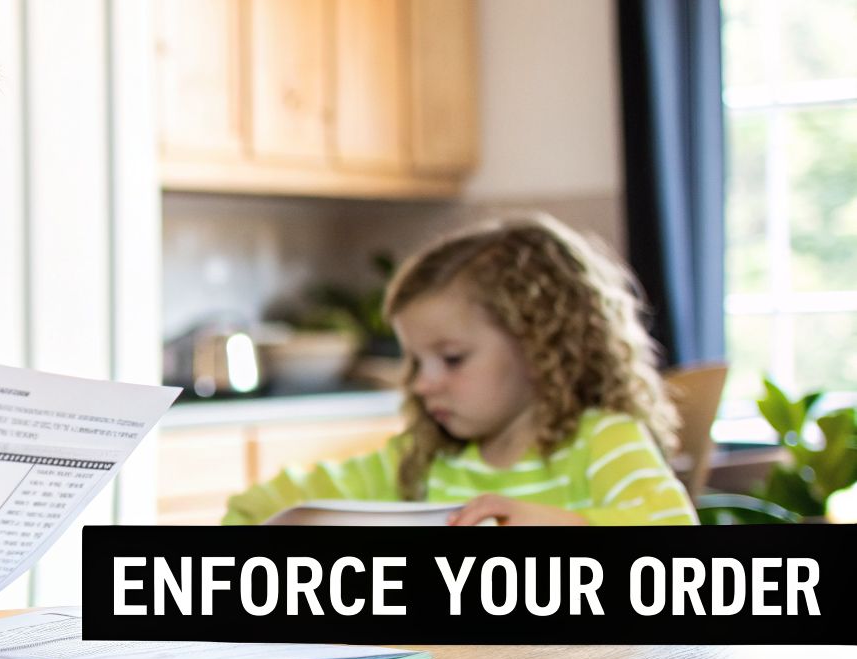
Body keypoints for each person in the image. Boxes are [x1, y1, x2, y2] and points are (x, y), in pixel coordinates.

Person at [223, 216, 698, 528]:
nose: (423, 383)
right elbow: (259, 506)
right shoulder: (424, 459)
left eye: (451, 359)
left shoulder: (602, 442)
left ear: (538, 344)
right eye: (415, 361)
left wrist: (558, 524)